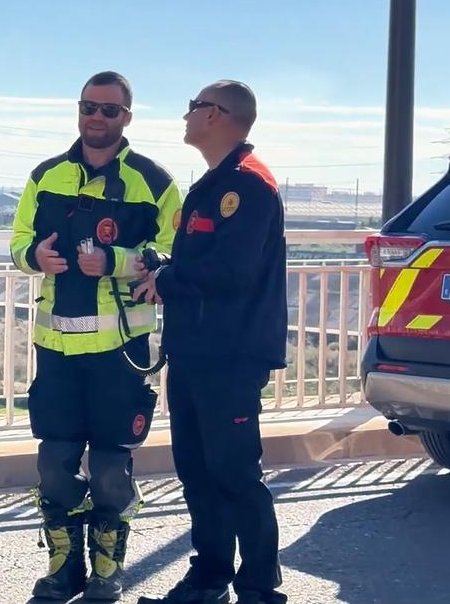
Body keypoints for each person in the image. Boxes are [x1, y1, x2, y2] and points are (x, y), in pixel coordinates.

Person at [10, 71, 182, 602]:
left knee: (111, 464)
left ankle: (108, 569)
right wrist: (32, 256)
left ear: (127, 117)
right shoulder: (45, 176)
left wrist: (114, 261)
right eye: (89, 107)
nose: (97, 117)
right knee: (55, 462)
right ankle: (64, 568)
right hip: (57, 349)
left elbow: (175, 255)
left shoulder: (155, 183)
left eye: (109, 110)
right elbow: (18, 243)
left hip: (120, 352)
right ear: (79, 110)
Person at [133, 81, 288, 604]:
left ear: (218, 116)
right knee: (198, 472)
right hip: (196, 352)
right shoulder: (215, 183)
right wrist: (169, 270)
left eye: (194, 106)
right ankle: (210, 574)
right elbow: (207, 263)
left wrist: (169, 281)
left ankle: (259, 585)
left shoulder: (247, 186)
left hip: (230, 357)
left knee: (235, 473)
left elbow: (234, 271)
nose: (186, 114)